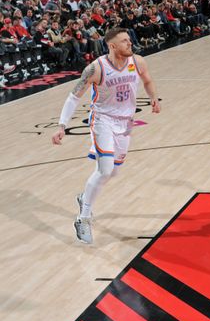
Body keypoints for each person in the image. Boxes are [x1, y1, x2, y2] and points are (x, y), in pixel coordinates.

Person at [51, 27, 161, 244]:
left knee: (113, 172)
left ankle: (84, 197)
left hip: (125, 123)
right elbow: (74, 97)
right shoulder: (96, 68)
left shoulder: (138, 62)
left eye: (129, 40)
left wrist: (154, 98)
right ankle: (83, 219)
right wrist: (62, 125)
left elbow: (147, 81)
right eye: (124, 41)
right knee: (105, 169)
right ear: (112, 46)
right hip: (103, 120)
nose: (130, 43)